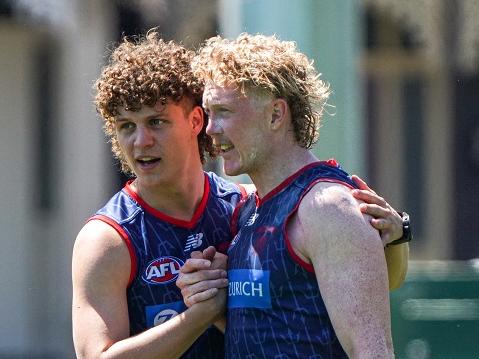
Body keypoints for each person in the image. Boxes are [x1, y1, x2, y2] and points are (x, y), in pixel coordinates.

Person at [72, 31, 407, 358]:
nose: (140, 141)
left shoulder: (268, 206)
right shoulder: (110, 238)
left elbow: (363, 291)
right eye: (126, 126)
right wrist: (203, 313)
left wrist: (396, 236)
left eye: (156, 122)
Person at [177, 33, 409, 358]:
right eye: (208, 112)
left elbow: (372, 351)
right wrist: (212, 302)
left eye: (224, 111)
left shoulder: (327, 207)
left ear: (275, 115)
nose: (211, 128)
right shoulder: (249, 208)